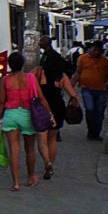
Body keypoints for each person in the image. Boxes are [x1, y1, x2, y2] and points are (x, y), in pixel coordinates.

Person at [0, 51, 53, 191]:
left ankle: (16, 182)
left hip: (11, 114)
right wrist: (50, 114)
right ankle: (31, 176)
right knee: (30, 149)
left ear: (9, 64)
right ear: (22, 64)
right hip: (27, 114)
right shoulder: (31, 78)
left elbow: (2, 101)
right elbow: (41, 97)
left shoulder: (5, 80)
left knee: (14, 149)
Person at [37, 35, 79, 178]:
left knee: (42, 139)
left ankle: (47, 161)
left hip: (42, 106)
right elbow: (72, 92)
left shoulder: (41, 74)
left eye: (41, 41)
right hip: (57, 104)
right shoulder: (61, 76)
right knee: (53, 138)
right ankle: (50, 166)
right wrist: (74, 100)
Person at [72, 41, 108, 141]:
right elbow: (77, 73)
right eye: (94, 50)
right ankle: (91, 130)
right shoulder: (83, 58)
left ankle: (96, 132)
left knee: (99, 111)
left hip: (101, 90)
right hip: (86, 89)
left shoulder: (105, 60)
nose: (96, 52)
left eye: (98, 50)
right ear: (90, 49)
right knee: (90, 109)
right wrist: (70, 85)